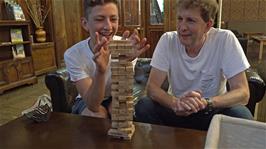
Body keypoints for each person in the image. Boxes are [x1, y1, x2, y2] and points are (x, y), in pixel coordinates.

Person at [134, 0, 253, 131]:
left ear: (208, 25)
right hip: (176, 111)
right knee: (144, 106)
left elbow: (243, 93)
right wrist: (175, 103)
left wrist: (207, 102)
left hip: (211, 112)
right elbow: (152, 88)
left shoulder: (225, 39)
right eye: (180, 19)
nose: (182, 27)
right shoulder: (167, 40)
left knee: (241, 115)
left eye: (190, 20)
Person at [64, 0, 150, 118]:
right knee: (97, 115)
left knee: (120, 114)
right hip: (88, 99)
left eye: (113, 19)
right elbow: (92, 105)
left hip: (115, 95)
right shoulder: (73, 54)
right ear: (85, 23)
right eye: (100, 19)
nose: (108, 27)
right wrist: (100, 70)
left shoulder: (126, 47)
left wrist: (124, 64)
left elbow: (121, 93)